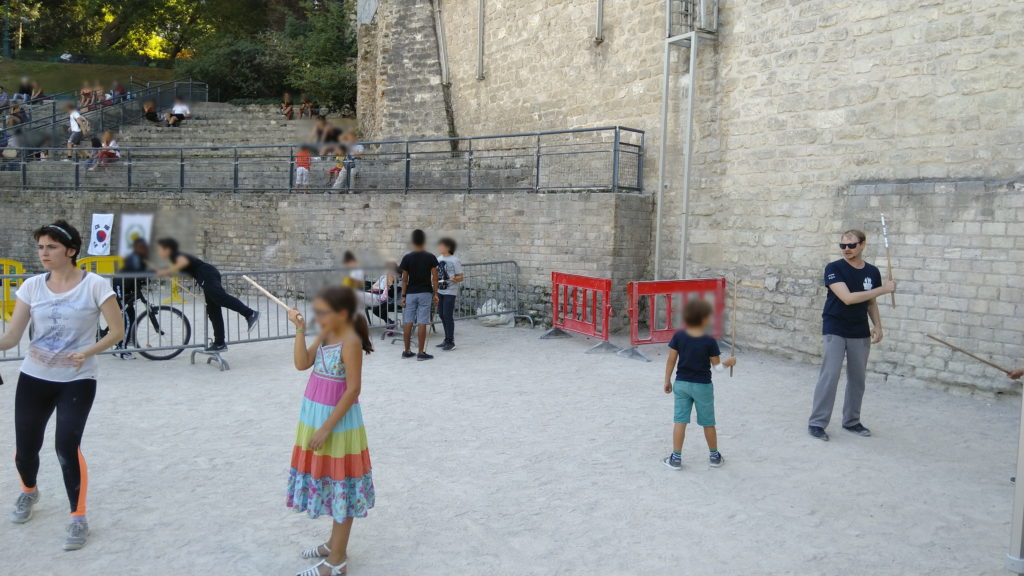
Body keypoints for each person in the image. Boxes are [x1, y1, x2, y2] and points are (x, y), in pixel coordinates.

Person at [0, 220, 124, 551]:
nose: (43, 253)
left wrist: (87, 351)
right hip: (34, 377)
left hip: (77, 379)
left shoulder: (96, 285)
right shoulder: (31, 287)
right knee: (26, 449)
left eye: (51, 247)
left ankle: (78, 517)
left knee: (66, 447)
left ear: (70, 251)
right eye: (40, 246)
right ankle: (29, 491)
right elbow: (12, 336)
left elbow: (117, 331)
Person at [286, 286, 375, 576]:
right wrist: (300, 329)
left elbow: (353, 389)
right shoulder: (326, 334)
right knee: (331, 485)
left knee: (343, 488)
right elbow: (301, 364)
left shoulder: (349, 341)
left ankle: (337, 562)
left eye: (323, 312)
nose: (317, 317)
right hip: (316, 419)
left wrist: (326, 428)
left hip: (338, 426)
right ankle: (334, 546)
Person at [808, 229, 897, 441]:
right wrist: (884, 289)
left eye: (851, 245)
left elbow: (870, 302)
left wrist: (877, 325)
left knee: (858, 379)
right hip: (835, 327)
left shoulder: (872, 272)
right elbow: (847, 298)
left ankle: (852, 421)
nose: (846, 249)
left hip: (859, 330)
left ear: (863, 245)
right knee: (830, 376)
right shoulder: (834, 268)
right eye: (843, 246)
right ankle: (817, 423)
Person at [662, 299, 737, 471]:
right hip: (702, 386)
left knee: (680, 421)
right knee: (708, 422)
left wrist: (667, 380)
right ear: (704, 319)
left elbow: (671, 360)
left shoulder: (679, 336)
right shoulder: (709, 341)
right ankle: (714, 456)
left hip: (681, 384)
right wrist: (729, 362)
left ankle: (675, 458)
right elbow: (717, 368)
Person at [154, 238, 260, 352]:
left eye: (160, 249)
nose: (158, 252)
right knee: (213, 310)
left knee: (220, 298)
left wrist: (165, 271)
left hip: (206, 274)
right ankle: (219, 343)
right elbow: (189, 275)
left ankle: (250, 313)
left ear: (167, 249)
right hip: (204, 275)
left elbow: (183, 263)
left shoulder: (175, 255)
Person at [399, 229, 439, 361]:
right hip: (425, 292)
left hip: (410, 293)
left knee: (408, 321)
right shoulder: (430, 257)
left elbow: (404, 279)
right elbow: (435, 277)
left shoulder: (407, 257)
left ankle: (407, 350)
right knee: (422, 321)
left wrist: (403, 295)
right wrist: (436, 293)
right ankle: (421, 352)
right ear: (424, 241)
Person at [112, 238, 150, 358]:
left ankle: (120, 343)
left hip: (126, 289)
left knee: (127, 316)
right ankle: (122, 349)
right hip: (121, 289)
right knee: (129, 319)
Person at [435, 238, 464, 351]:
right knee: (441, 314)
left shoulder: (455, 260)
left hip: (450, 291)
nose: (439, 248)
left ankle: (451, 341)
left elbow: (460, 277)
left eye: (441, 246)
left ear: (448, 247)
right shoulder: (439, 259)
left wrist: (453, 279)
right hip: (440, 291)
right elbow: (436, 274)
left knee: (447, 315)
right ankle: (446, 339)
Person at [366, 259, 398, 326]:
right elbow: (373, 286)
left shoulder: (395, 278)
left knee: (376, 309)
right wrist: (381, 289)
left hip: (389, 300)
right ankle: (389, 322)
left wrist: (380, 288)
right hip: (379, 297)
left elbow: (389, 289)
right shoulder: (383, 277)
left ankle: (389, 323)